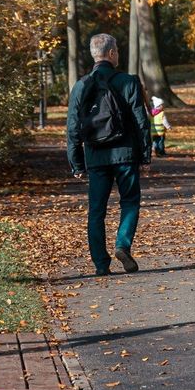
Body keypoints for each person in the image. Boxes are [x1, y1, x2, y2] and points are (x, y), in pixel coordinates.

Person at [66, 33, 151, 276]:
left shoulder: (82, 85)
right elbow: (140, 121)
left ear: (95, 55)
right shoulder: (128, 81)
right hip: (125, 155)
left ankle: (101, 265)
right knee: (130, 201)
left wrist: (76, 163)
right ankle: (122, 244)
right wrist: (145, 155)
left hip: (95, 157)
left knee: (96, 211)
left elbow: (72, 127)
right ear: (112, 53)